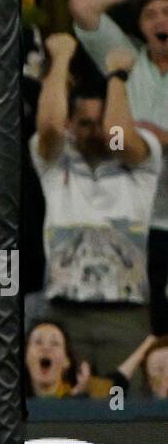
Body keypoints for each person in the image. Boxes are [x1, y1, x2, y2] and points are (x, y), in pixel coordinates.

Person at [32, 32, 161, 380]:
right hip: (63, 313)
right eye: (85, 124)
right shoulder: (56, 161)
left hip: (125, 314)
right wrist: (60, 59)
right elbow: (49, 125)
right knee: (64, 411)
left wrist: (117, 76)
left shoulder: (141, 161)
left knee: (123, 409)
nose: (97, 131)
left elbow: (118, 133)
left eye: (100, 122)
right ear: (73, 127)